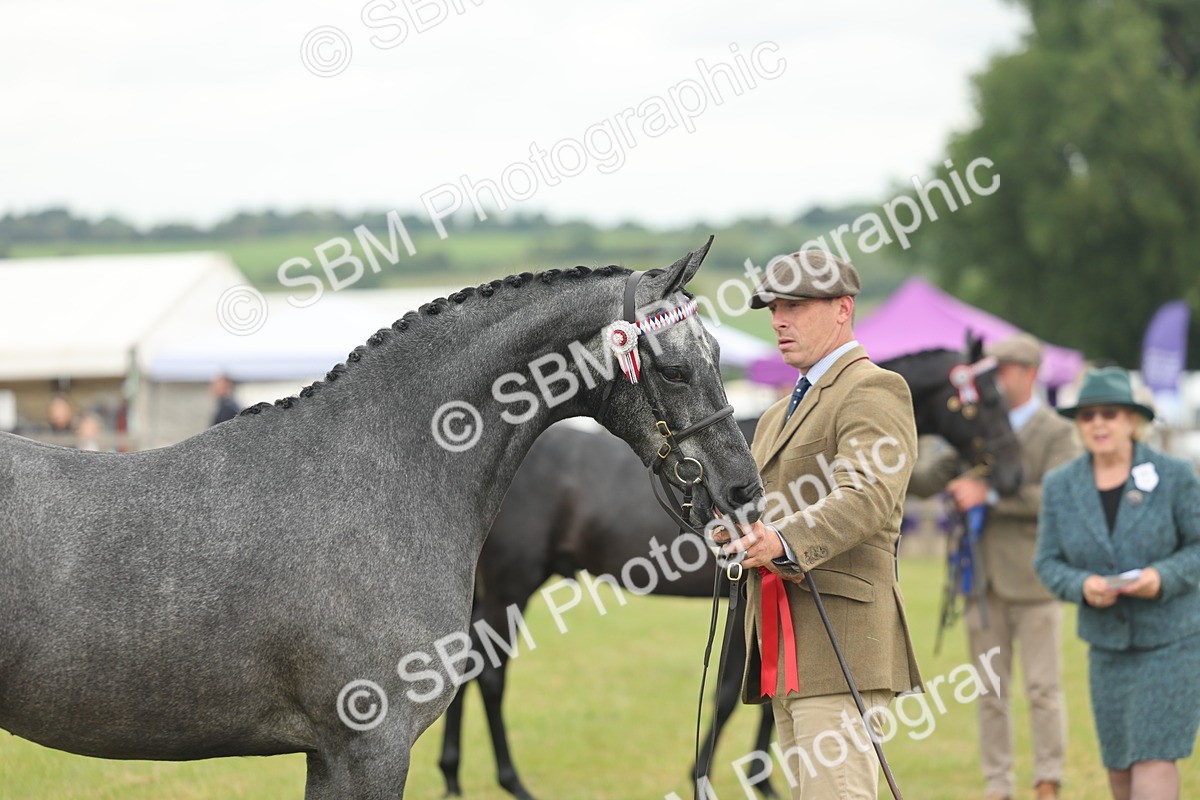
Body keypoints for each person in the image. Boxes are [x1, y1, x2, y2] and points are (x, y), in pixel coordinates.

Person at [714, 250, 922, 799]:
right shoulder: (777, 414)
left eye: (796, 305)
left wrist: (782, 540)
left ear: (842, 309)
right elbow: (763, 513)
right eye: (773, 307)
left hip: (842, 644)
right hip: (785, 650)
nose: (779, 319)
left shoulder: (873, 388)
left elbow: (868, 492)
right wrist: (736, 530)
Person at [908, 333, 1078, 800]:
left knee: (1043, 689)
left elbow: (1060, 498)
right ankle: (997, 785)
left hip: (1034, 580)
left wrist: (992, 495)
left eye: (1002, 372)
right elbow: (924, 482)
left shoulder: (1057, 432)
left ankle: (1048, 780)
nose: (995, 381)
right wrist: (889, 453)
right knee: (989, 694)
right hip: (980, 580)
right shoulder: (974, 426)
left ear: (1029, 374)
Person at [1035, 367, 1200, 800]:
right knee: (1121, 771)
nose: (1098, 423)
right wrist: (1082, 584)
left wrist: (1161, 577)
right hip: (1107, 649)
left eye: (1109, 413)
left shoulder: (1174, 475)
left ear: (1132, 420)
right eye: (1087, 416)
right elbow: (1048, 561)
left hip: (1172, 643)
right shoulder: (1060, 486)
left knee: (1153, 759)